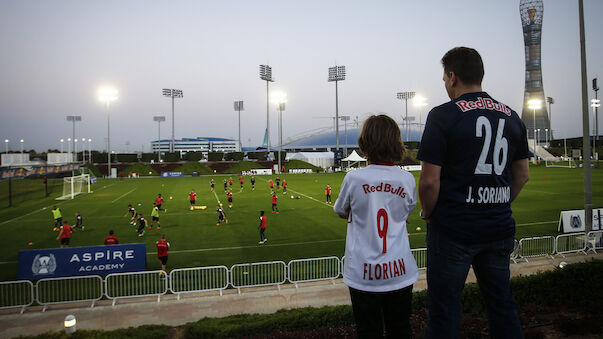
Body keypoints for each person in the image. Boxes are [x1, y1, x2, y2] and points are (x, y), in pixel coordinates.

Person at [418, 47, 529, 339]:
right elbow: (522, 175)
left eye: (444, 78)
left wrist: (427, 212)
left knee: (444, 312)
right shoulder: (513, 116)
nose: (445, 84)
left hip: (454, 229)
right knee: (502, 306)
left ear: (452, 77)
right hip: (499, 226)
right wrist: (498, 202)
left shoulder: (443, 115)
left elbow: (429, 182)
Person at [333, 114, 419, 338]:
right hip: (400, 270)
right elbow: (405, 212)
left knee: (368, 331)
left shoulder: (354, 178)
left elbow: (340, 210)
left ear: (365, 143)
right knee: (400, 329)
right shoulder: (407, 179)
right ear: (396, 142)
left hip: (363, 273)